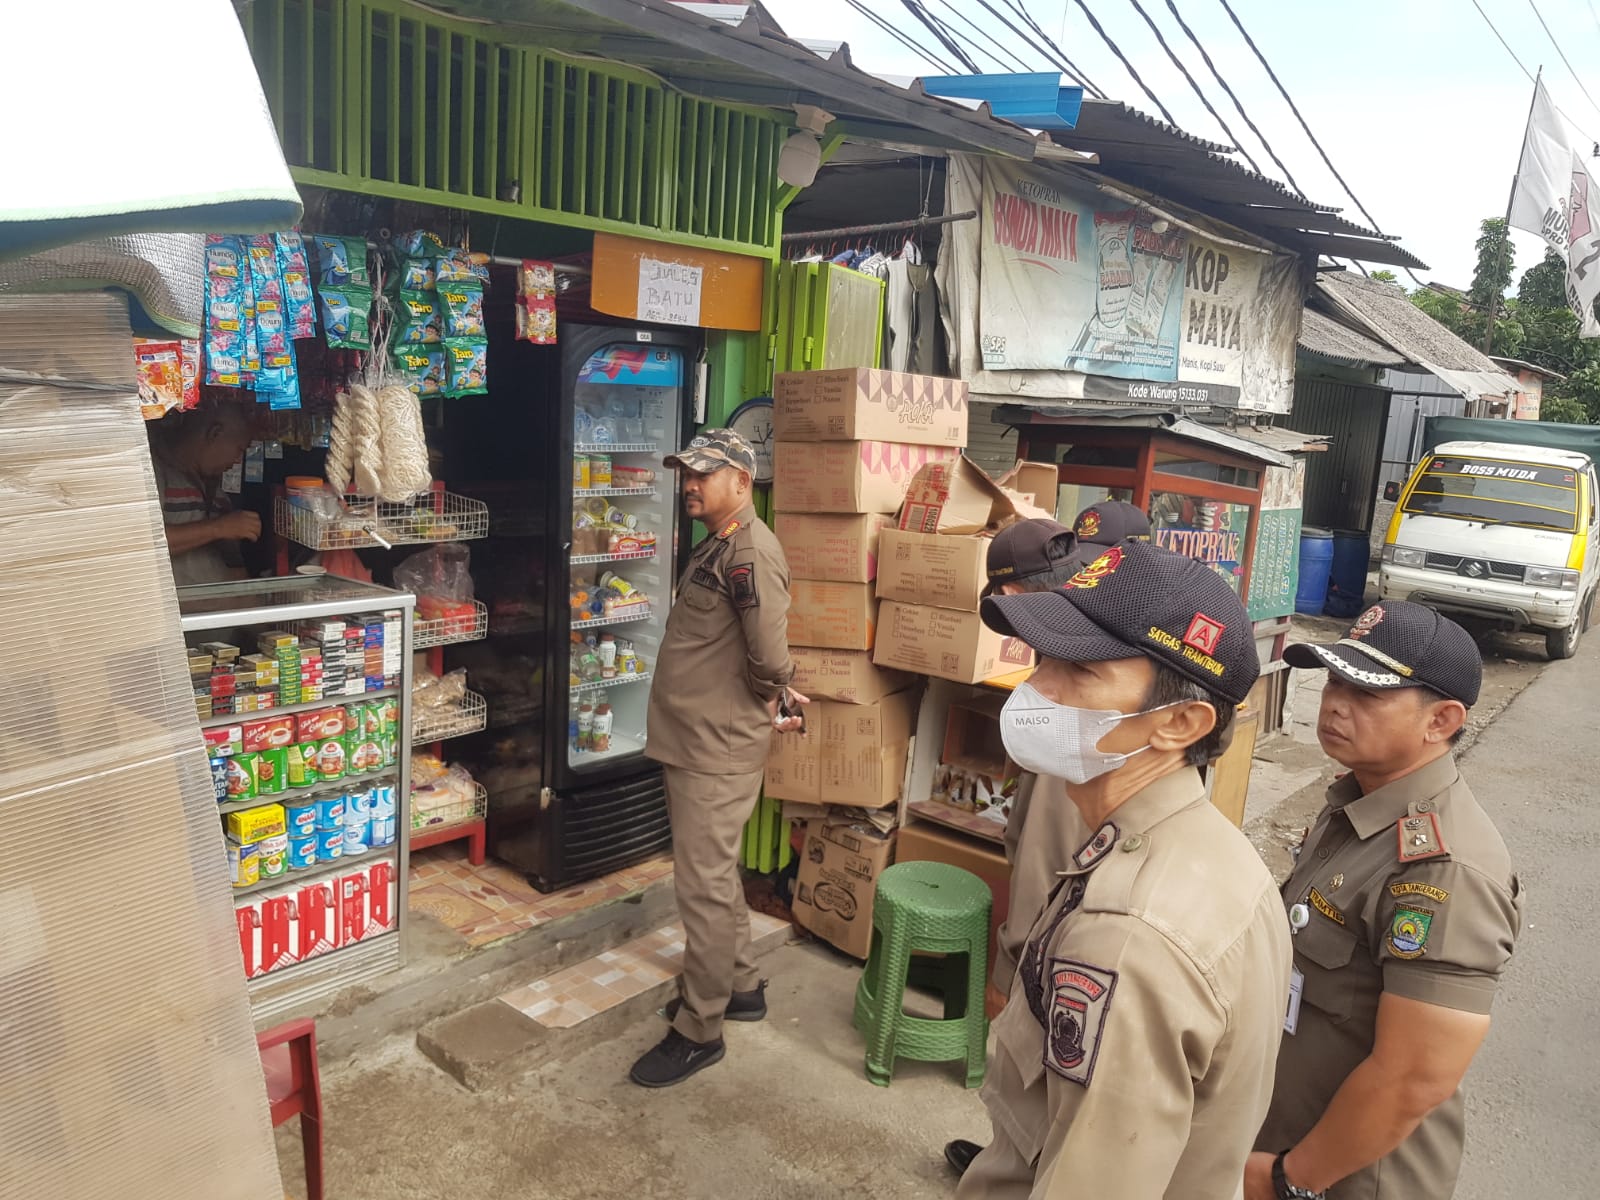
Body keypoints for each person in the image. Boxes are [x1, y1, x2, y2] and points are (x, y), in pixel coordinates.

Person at [957, 539, 1292, 1199]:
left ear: (1180, 723)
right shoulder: (1205, 854)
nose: (1036, 692)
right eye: (1042, 661)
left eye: (1079, 675)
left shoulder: (1131, 936)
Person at [1247, 602, 1521, 1200]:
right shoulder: (1356, 802)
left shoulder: (1446, 870)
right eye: (1335, 680)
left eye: (1367, 693)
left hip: (1344, 1179)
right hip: (1289, 1135)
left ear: (1442, 719)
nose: (1334, 703)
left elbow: (1413, 1079)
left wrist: (1288, 1180)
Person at [943, 504, 1155, 1178]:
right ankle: (1014, 1153)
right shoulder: (1100, 656)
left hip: (1054, 949)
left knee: (1038, 1078)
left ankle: (1019, 1165)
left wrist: (1010, 970)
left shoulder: (1083, 692)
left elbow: (1047, 863)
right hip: (1076, 923)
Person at [630, 428, 807, 1089]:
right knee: (715, 872)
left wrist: (777, 691)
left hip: (716, 748)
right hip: (697, 739)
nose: (690, 484)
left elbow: (767, 655)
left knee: (700, 888)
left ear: (743, 479)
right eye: (687, 473)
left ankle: (699, 1028)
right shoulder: (721, 545)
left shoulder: (750, 554)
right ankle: (742, 986)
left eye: (704, 473)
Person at [147, 402, 259, 585]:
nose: (238, 461)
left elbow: (235, 569)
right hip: (178, 610)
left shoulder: (218, 496)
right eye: (239, 450)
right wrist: (217, 528)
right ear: (214, 433)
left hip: (215, 608)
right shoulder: (154, 472)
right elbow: (141, 542)